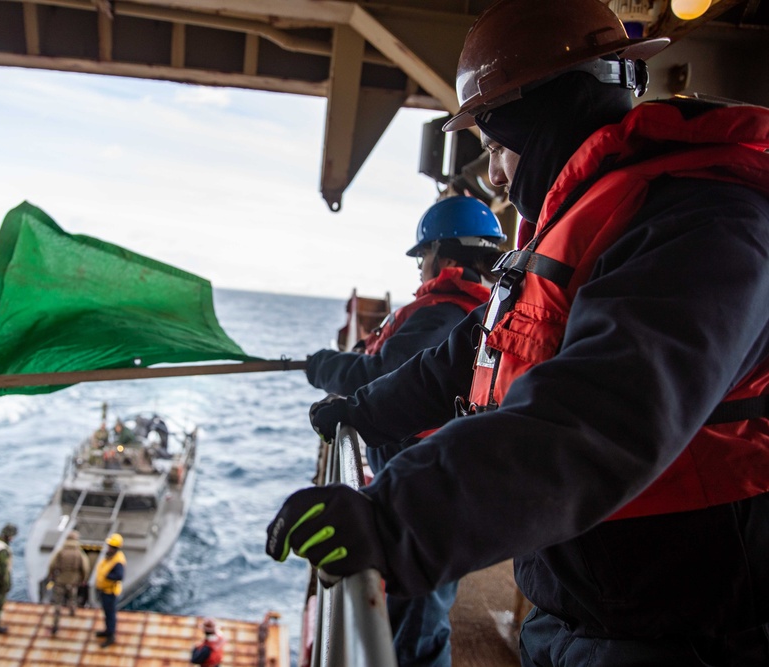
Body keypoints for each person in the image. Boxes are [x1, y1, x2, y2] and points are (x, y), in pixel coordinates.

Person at [266, 0, 769, 665]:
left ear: (544, 116)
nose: (497, 174)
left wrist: (393, 519)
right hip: (575, 607)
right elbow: (457, 358)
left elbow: (602, 414)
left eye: (498, 145)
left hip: (683, 624)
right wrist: (359, 410)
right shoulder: (580, 232)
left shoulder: (706, 221)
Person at [305, 194, 505, 666]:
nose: (420, 268)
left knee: (415, 629)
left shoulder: (442, 313)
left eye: (424, 256)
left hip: (429, 489)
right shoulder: (463, 311)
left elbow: (380, 375)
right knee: (412, 616)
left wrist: (322, 367)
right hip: (431, 475)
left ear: (446, 256)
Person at [47, 530, 90, 636]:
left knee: (58, 603)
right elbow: (85, 567)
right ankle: (72, 611)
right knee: (72, 598)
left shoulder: (61, 551)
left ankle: (55, 625)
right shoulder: (79, 552)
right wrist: (83, 579)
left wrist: (51, 575)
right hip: (73, 581)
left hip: (60, 580)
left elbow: (51, 565)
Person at [95, 533, 126, 648]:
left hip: (110, 592)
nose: (108, 547)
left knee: (110, 614)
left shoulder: (118, 561)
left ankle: (111, 636)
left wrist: (108, 577)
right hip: (104, 590)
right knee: (107, 613)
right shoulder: (110, 556)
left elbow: (120, 575)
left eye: (110, 546)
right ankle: (107, 631)